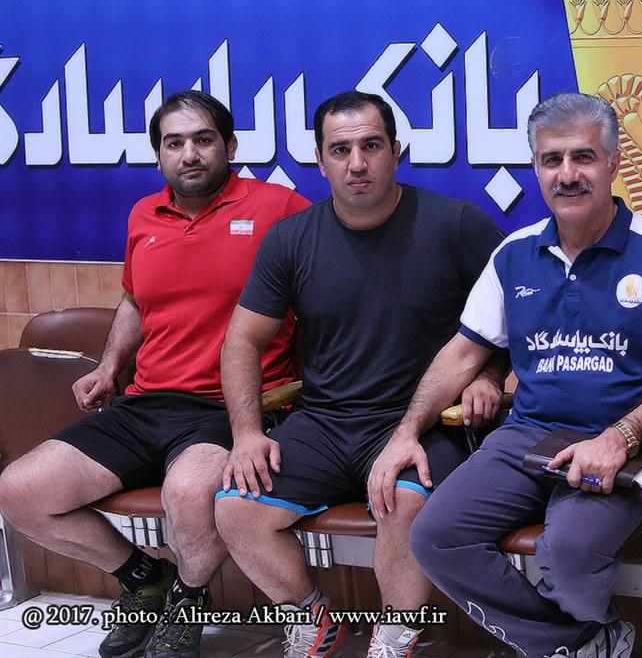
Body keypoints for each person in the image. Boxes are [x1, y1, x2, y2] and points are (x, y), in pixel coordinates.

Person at [0, 91, 310, 658]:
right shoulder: (144, 214)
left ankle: (188, 600)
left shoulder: (281, 207)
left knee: (188, 495)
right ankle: (145, 578)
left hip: (233, 406)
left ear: (230, 146)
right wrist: (109, 365)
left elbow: (329, 290)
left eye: (203, 140)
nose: (189, 154)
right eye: (174, 143)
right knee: (20, 491)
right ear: (159, 154)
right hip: (143, 402)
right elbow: (134, 300)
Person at [400, 92, 642, 658]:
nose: (567, 174)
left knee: (568, 551)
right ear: (536, 167)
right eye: (552, 160)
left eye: (583, 157)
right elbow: (463, 354)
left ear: (613, 163)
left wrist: (619, 437)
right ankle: (582, 642)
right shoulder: (513, 253)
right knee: (435, 535)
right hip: (528, 436)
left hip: (632, 445)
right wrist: (405, 432)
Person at [213, 91, 504, 658]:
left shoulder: (457, 224)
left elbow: (514, 321)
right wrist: (246, 433)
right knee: (235, 508)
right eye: (340, 150)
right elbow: (242, 340)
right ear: (320, 161)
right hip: (323, 422)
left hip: (425, 422)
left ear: (396, 150)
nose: (357, 163)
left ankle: (393, 637)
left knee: (404, 502)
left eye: (371, 146)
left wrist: (488, 375)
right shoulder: (290, 239)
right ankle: (312, 620)